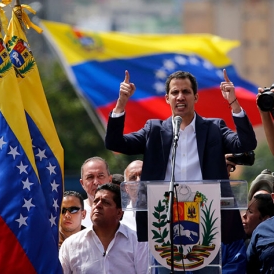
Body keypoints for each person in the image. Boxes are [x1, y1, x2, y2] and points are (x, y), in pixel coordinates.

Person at [105, 70, 257, 273]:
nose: (180, 97)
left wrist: (234, 103)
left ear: (196, 96)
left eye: (186, 91)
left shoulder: (214, 128)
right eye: (175, 92)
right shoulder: (154, 130)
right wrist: (121, 103)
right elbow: (115, 142)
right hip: (163, 226)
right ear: (167, 98)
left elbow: (246, 143)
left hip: (207, 227)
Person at [59, 183, 148, 273]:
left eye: (106, 202)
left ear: (119, 213)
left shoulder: (138, 242)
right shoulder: (71, 245)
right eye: (95, 201)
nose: (98, 205)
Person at [79, 156, 113, 228]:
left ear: (110, 180)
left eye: (100, 176)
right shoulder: (75, 213)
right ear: (82, 183)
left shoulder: (124, 211)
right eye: (90, 177)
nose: (96, 182)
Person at [120, 160, 143, 231]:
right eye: (133, 178)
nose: (138, 180)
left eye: (143, 175)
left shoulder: (166, 209)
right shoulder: (121, 218)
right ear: (126, 187)